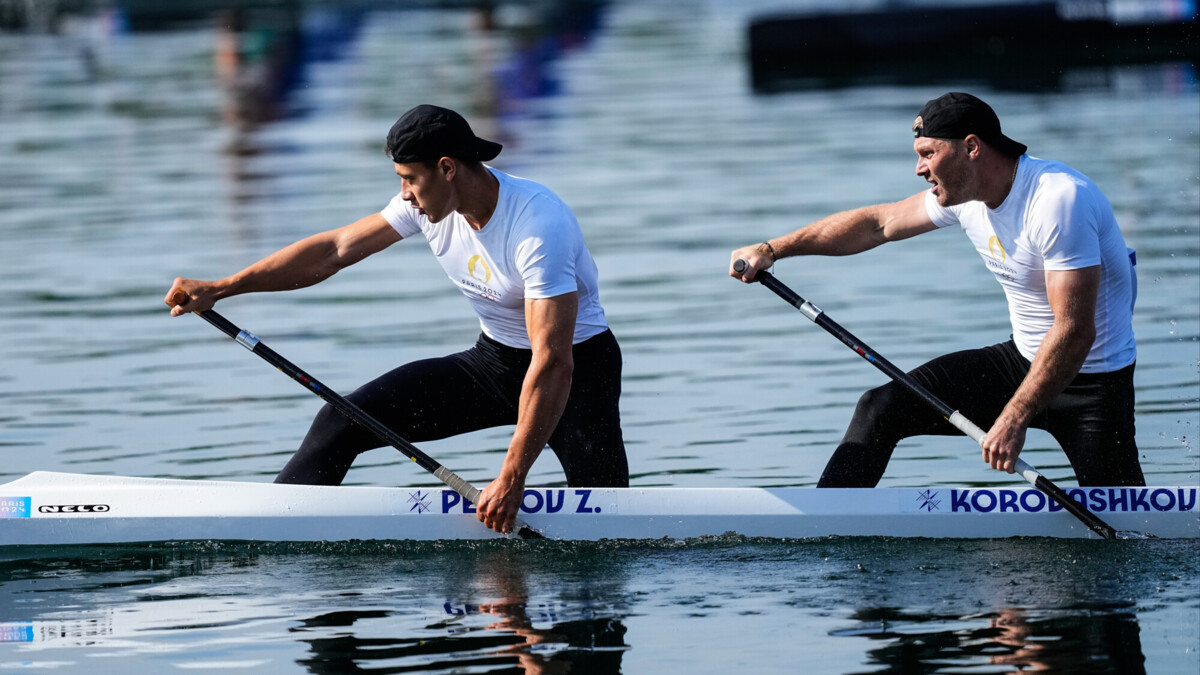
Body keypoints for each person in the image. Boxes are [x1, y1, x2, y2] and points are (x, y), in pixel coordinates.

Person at [166, 104, 629, 532]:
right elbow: (332, 251)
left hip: (575, 376)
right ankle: (266, 532)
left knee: (612, 519)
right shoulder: (430, 206)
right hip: (494, 364)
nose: (404, 194)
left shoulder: (538, 226)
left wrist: (511, 476)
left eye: (410, 179)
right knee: (341, 421)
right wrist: (224, 286)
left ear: (446, 168)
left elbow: (552, 361)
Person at [730, 92, 1145, 488]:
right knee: (880, 408)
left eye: (928, 154)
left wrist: (1013, 417)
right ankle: (823, 524)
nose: (919, 169)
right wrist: (772, 250)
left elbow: (1074, 331)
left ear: (971, 147)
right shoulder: (964, 197)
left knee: (1130, 520)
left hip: (1093, 381)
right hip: (1020, 361)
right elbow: (878, 225)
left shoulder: (1058, 200)